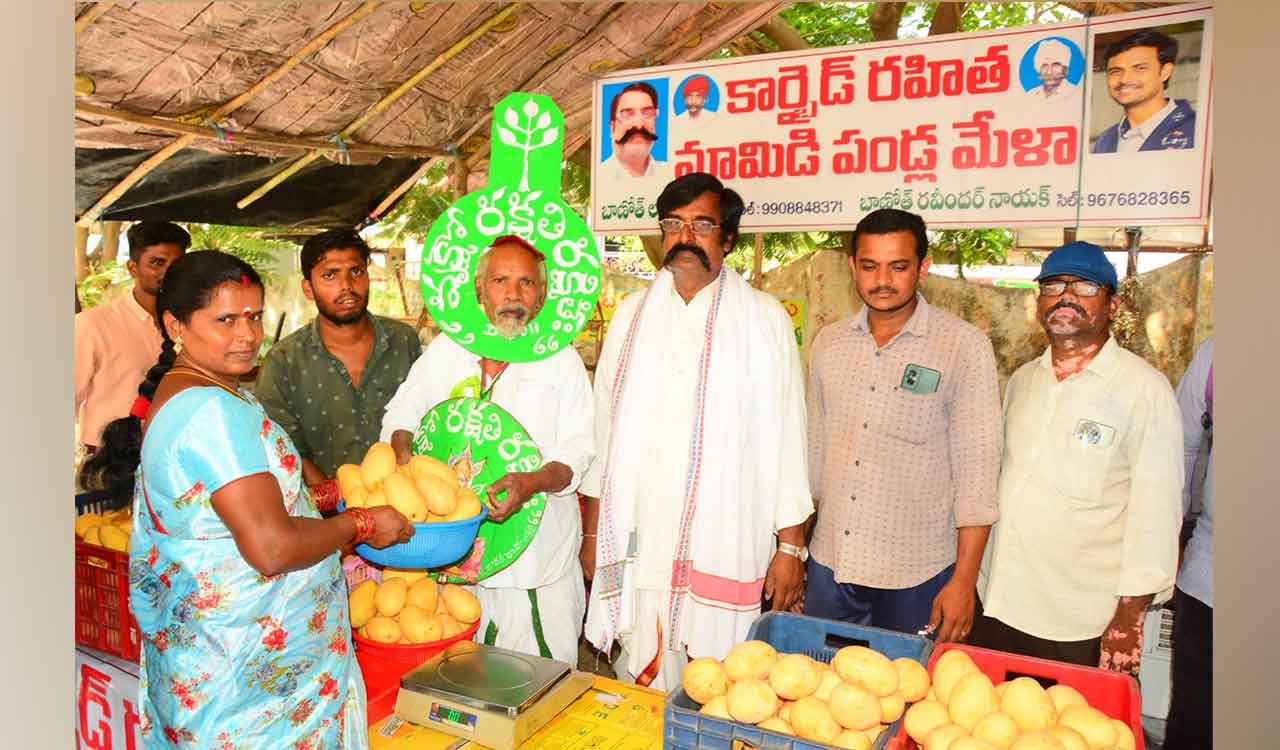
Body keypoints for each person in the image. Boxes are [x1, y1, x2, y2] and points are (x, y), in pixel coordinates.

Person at [78, 251, 414, 748]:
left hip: (227, 664)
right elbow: (271, 547)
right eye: (226, 319)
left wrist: (326, 496)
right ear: (175, 325)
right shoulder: (211, 411)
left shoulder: (198, 390)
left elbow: (221, 509)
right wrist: (361, 524)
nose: (248, 335)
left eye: (254, 317)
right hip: (253, 685)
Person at [580, 172, 812, 690]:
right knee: (637, 665)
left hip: (723, 534)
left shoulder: (762, 320)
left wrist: (791, 548)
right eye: (673, 224)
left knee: (721, 681)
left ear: (727, 239)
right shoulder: (631, 317)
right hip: (641, 530)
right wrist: (593, 535)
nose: (685, 238)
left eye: (701, 225)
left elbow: (790, 438)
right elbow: (603, 430)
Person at [380, 235, 594, 664]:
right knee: (462, 677)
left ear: (543, 294)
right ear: (480, 290)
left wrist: (532, 483)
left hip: (534, 565)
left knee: (541, 679)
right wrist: (410, 472)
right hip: (455, 558)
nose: (513, 294)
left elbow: (580, 449)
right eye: (500, 280)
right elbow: (399, 416)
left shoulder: (559, 360)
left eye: (526, 283)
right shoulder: (447, 350)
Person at [973, 241, 1183, 676]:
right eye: (1053, 285)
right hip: (1000, 601)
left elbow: (1157, 514)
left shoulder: (1144, 390)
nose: (1066, 296)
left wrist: (1130, 616)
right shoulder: (1023, 380)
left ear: (1112, 305)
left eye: (1084, 286)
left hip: (1079, 619)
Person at [806, 209, 1002, 642]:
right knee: (826, 696)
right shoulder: (829, 343)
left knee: (911, 698)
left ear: (923, 268)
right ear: (853, 267)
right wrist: (793, 549)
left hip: (918, 572)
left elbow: (978, 473)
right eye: (870, 266)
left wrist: (964, 582)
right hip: (831, 565)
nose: (883, 280)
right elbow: (814, 457)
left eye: (898, 266)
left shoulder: (963, 347)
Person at [255, 229, 422, 503]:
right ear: (308, 287)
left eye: (355, 271)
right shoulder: (285, 360)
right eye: (330, 275)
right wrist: (340, 505)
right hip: (324, 517)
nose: (346, 285)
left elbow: (427, 417)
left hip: (409, 506)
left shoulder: (404, 341)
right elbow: (282, 444)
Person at [75, 221, 188, 454]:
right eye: (157, 263)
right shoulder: (94, 325)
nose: (168, 272)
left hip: (171, 458)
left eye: (176, 264)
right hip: (107, 460)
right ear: (133, 268)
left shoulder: (191, 325)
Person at [1164, 337, 1213, 750]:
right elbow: (1180, 447)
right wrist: (1169, 536)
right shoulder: (1219, 354)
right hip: (1210, 580)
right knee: (1194, 723)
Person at [1092, 29, 1197, 153]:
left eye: (1140, 68)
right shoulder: (1105, 140)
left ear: (1165, 72)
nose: (1124, 79)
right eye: (1116, 71)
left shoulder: (1196, 129)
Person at [599, 82, 671, 180]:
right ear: (612, 128)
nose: (638, 124)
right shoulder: (599, 176)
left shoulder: (670, 174)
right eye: (627, 114)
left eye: (648, 113)